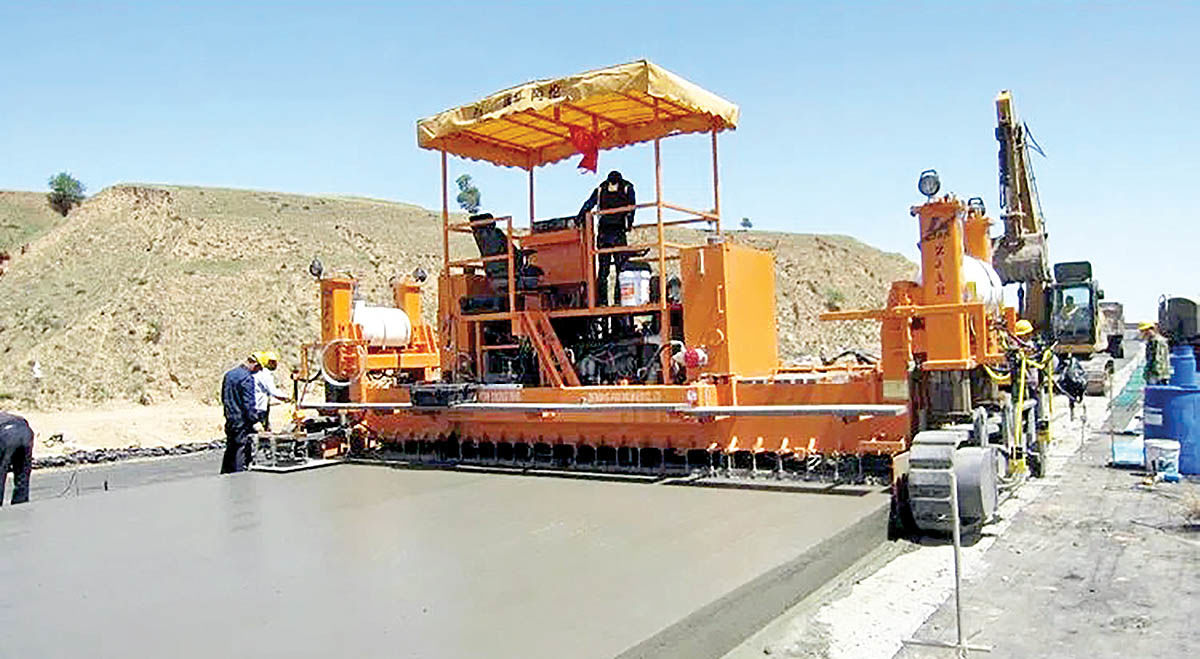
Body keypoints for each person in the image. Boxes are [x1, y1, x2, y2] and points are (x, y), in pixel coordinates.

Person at [577, 170, 636, 306]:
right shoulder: (627, 187)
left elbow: (588, 204)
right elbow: (632, 207)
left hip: (604, 234)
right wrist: (629, 224)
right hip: (618, 233)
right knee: (620, 268)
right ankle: (618, 300)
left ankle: (602, 302)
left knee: (604, 270)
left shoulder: (600, 189)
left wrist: (579, 219)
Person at [221, 355, 262, 474]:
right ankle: (240, 475)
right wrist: (255, 420)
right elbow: (248, 403)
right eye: (258, 368)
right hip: (242, 420)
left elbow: (224, 397)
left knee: (231, 446)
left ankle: (226, 472)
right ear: (254, 364)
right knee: (241, 447)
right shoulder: (247, 378)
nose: (258, 371)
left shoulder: (229, 375)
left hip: (230, 417)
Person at [252, 351, 291, 431]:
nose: (273, 365)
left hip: (257, 406)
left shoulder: (257, 373)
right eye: (271, 362)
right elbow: (272, 391)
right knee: (262, 429)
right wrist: (287, 397)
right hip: (260, 407)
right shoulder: (265, 374)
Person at [0, 411, 33, 505]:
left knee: (1, 469)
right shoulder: (6, 415)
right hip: (26, 432)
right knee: (23, 472)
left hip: (7, 434)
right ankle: (20, 505)